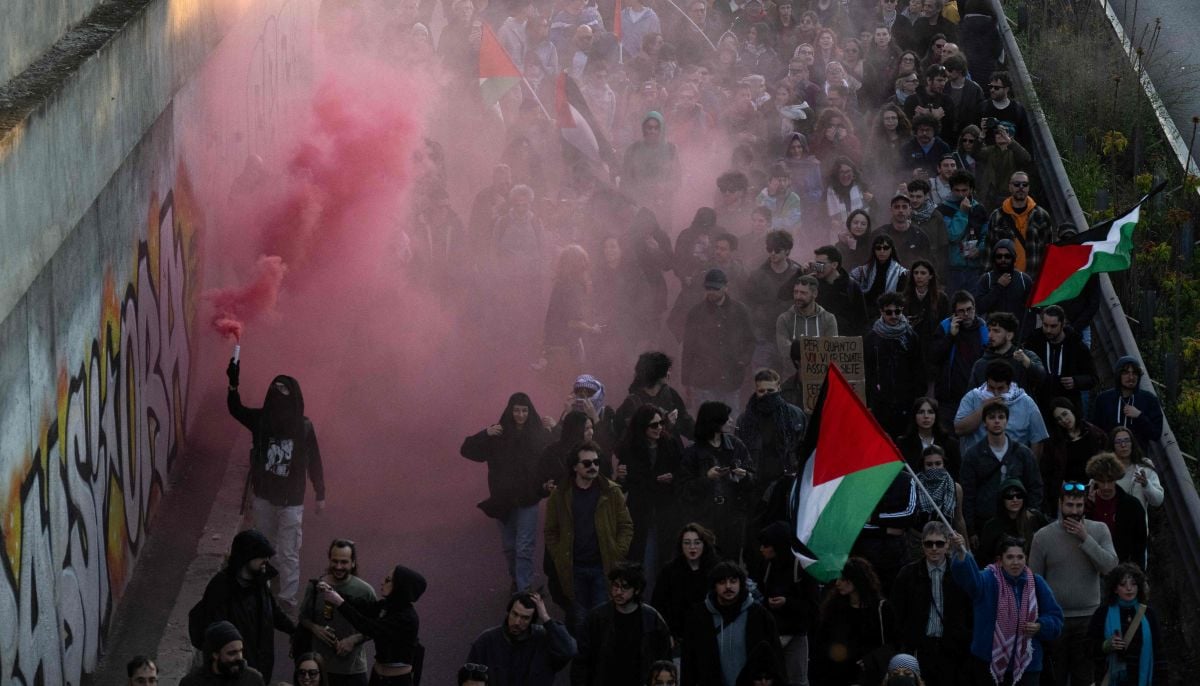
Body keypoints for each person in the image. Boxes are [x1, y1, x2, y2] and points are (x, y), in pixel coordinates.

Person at [225, 362, 325, 611]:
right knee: (265, 547)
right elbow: (235, 408)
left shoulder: (303, 427)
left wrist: (320, 493)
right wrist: (233, 383)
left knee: (289, 550)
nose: (279, 395)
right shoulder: (260, 420)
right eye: (275, 389)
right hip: (265, 497)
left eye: (284, 390)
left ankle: (288, 599)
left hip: (291, 501)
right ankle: (264, 592)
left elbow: (314, 461)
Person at [460, 392, 553, 592]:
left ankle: (523, 589)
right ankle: (517, 579)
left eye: (524, 411)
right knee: (510, 547)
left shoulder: (539, 434)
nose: (520, 415)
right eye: (517, 410)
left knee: (524, 546)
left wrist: (556, 427)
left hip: (529, 498)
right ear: (510, 412)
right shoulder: (498, 434)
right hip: (503, 500)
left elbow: (559, 452)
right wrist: (485, 434)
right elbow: (466, 450)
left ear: (530, 412)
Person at [1029, 482, 1119, 686]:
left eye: (1079, 506)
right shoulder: (1043, 536)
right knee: (1055, 677)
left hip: (1089, 618)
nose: (1074, 511)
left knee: (1085, 678)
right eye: (1069, 505)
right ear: (1060, 504)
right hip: (1055, 619)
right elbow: (1034, 581)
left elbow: (1111, 568)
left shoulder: (1099, 530)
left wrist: (1085, 538)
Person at [545, 441, 636, 635]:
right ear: (575, 467)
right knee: (579, 621)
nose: (593, 466)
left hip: (603, 566)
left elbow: (626, 525)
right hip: (574, 567)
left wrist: (618, 552)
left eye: (596, 462)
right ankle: (581, 661)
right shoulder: (560, 495)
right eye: (587, 463)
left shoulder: (611, 492)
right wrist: (559, 554)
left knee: (602, 620)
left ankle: (599, 661)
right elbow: (551, 530)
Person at [948, 532, 1063, 686]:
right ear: (1000, 560)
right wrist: (962, 553)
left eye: (1020, 557)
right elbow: (970, 580)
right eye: (1010, 557)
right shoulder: (988, 579)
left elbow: (1056, 618)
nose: (1015, 562)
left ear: (1026, 559)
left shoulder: (1036, 582)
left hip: (1028, 666)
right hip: (988, 662)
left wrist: (1041, 626)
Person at [190, 530, 295, 680]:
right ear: (247, 557)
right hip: (232, 672)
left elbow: (274, 612)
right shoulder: (221, 588)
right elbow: (216, 632)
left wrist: (294, 630)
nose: (266, 561)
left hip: (259, 669)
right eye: (261, 557)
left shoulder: (259, 583)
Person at [891, 522, 971, 686]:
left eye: (939, 543)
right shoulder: (908, 574)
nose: (934, 548)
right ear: (922, 545)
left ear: (948, 543)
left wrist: (964, 553)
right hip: (920, 649)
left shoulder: (958, 572)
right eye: (929, 543)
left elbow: (972, 603)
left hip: (952, 648)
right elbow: (897, 613)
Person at [318, 565, 426, 686]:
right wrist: (334, 592)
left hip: (396, 681)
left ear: (400, 586)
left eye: (388, 580)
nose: (382, 582)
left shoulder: (406, 617)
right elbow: (364, 607)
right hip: (378, 677)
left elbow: (368, 626)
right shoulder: (389, 605)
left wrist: (339, 602)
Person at [681, 561, 784, 686]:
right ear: (714, 586)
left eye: (733, 581)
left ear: (741, 584)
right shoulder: (699, 616)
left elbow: (776, 660)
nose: (728, 586)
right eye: (722, 582)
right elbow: (688, 660)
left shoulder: (759, 616)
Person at [572, 562, 673, 686]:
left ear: (637, 590)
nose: (618, 592)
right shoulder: (597, 618)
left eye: (625, 587)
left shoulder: (651, 619)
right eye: (615, 586)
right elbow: (581, 661)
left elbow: (665, 663)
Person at [679, 402, 756, 560]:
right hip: (704, 519)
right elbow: (683, 489)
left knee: (730, 562)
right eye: (726, 418)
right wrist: (706, 479)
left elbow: (753, 478)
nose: (731, 420)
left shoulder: (736, 446)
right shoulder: (692, 453)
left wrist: (744, 476)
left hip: (732, 518)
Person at [957, 398, 1043, 536]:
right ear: (984, 422)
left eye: (1001, 417)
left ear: (1006, 421)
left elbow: (1035, 486)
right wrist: (971, 530)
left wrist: (1030, 514)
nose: (997, 421)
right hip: (985, 523)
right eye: (991, 417)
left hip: (1018, 522)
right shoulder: (973, 455)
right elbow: (968, 494)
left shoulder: (1023, 453)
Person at [298, 540, 377, 686]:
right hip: (320, 671)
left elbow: (377, 628)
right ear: (329, 560)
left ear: (353, 563)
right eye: (335, 561)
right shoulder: (315, 587)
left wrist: (353, 640)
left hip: (353, 671)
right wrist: (316, 629)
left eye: (344, 562)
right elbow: (303, 617)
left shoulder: (365, 592)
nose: (339, 567)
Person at [616, 404, 685, 568]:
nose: (659, 428)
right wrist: (621, 478)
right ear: (643, 426)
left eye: (661, 423)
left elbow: (683, 473)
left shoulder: (670, 444)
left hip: (665, 511)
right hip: (640, 511)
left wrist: (673, 478)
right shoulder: (629, 449)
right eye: (654, 425)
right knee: (639, 559)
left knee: (665, 560)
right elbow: (624, 485)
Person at [811, 556, 897, 686]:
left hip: (869, 675)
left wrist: (870, 660)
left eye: (843, 579)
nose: (837, 583)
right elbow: (822, 643)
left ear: (857, 580)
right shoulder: (834, 608)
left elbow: (893, 642)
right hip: (837, 676)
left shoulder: (881, 609)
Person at [753, 521, 820, 686]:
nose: (762, 549)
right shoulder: (766, 566)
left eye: (766, 545)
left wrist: (787, 602)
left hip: (796, 635)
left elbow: (813, 607)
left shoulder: (802, 567)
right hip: (772, 634)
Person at [681, 268, 757, 410]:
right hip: (703, 380)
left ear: (725, 287)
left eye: (715, 288)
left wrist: (743, 361)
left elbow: (750, 340)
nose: (711, 292)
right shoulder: (696, 313)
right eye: (708, 288)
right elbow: (688, 348)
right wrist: (686, 381)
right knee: (706, 427)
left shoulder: (740, 311)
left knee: (729, 425)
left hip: (731, 379)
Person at [467, 592, 578, 686]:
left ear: (532, 620)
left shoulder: (544, 641)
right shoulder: (487, 641)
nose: (517, 622)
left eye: (525, 618)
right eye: (514, 614)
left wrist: (546, 618)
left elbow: (569, 650)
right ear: (508, 612)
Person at [1087, 563, 1169, 685]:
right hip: (1112, 679)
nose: (1129, 588)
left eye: (1134, 584)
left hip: (1141, 679)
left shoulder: (1148, 614)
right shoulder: (1102, 613)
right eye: (1123, 584)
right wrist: (1106, 645)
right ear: (1115, 588)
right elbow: (1088, 648)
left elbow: (1159, 653)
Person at [864, 291, 926, 436]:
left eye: (897, 311)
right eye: (889, 312)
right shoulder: (871, 338)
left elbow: (918, 368)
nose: (893, 316)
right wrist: (869, 400)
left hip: (905, 401)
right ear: (881, 312)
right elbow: (867, 370)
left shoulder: (911, 336)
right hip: (880, 402)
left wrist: (917, 395)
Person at [735, 369, 807, 491]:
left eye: (770, 391)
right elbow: (739, 451)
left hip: (786, 478)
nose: (766, 395)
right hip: (756, 481)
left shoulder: (795, 415)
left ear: (778, 388)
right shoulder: (745, 420)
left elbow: (804, 446)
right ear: (756, 390)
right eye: (762, 391)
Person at [744, 231, 805, 372]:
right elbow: (748, 303)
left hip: (791, 338)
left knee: (791, 383)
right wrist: (758, 320)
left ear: (787, 251)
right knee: (763, 384)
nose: (772, 253)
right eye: (769, 249)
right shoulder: (757, 276)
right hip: (764, 337)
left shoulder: (799, 274)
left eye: (777, 250)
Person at [651, 522, 718, 648]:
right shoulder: (669, 572)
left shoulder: (715, 570)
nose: (692, 547)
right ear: (681, 545)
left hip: (710, 636)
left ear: (704, 544)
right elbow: (658, 605)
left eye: (697, 542)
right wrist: (667, 634)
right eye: (687, 543)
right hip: (678, 639)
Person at [1023, 305, 1096, 416]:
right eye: (1045, 325)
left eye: (1053, 326)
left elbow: (1093, 378)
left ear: (1062, 325)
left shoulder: (1077, 346)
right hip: (1040, 404)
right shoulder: (1034, 341)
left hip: (1068, 406)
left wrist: (1076, 381)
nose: (1048, 330)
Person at [1042, 399, 1107, 515]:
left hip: (1093, 488)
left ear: (1072, 411)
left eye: (1065, 414)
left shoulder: (1094, 434)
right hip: (1068, 492)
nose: (1063, 420)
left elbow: (1106, 460)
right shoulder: (1054, 442)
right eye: (1058, 419)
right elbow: (1048, 470)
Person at [615, 351, 695, 442]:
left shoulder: (670, 395)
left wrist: (707, 436)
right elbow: (630, 438)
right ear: (657, 374)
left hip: (671, 453)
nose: (669, 374)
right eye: (666, 370)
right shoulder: (632, 403)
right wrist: (665, 425)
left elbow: (686, 423)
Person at [1084, 453, 1148, 566]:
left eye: (1110, 481)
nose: (1106, 486)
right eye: (1101, 481)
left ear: (1117, 478)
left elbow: (1139, 547)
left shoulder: (1132, 506)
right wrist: (1089, 506)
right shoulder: (1082, 500)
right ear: (1094, 480)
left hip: (1119, 568)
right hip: (1087, 564)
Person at [1090, 356, 1165, 453]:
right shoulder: (1103, 399)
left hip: (1137, 458)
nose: (1131, 377)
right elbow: (1095, 431)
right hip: (1111, 458)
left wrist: (1139, 416)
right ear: (1118, 375)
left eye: (1134, 373)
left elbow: (1156, 434)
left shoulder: (1149, 399)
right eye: (1126, 373)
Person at [976, 478, 1048, 568]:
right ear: (1002, 499)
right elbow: (984, 558)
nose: (1015, 499)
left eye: (1019, 495)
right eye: (1009, 496)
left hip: (1032, 572)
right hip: (1001, 574)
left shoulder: (1035, 518)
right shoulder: (992, 526)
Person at [966, 312, 1045, 392]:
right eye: (989, 330)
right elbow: (971, 397)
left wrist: (1026, 361)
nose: (990, 335)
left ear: (1009, 335)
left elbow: (1041, 378)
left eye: (996, 331)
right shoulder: (981, 364)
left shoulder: (1026, 356)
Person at [938, 170, 989, 293]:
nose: (961, 194)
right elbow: (952, 236)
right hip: (954, 269)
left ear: (971, 189)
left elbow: (987, 234)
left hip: (975, 268)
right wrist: (962, 213)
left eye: (964, 190)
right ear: (951, 189)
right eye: (957, 190)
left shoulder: (979, 209)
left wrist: (980, 249)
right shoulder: (944, 209)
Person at [973, 241, 1034, 332]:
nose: (1003, 259)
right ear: (994, 258)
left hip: (1018, 337)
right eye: (999, 256)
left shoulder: (1024, 280)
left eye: (1007, 256)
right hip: (994, 335)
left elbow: (1032, 311)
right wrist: (998, 287)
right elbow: (979, 308)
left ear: (1013, 257)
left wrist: (1026, 334)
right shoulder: (986, 279)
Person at [775, 275, 839, 361]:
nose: (798, 296)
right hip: (792, 372)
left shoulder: (829, 319)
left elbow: (831, 350)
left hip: (820, 372)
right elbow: (784, 351)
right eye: (795, 292)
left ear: (814, 294)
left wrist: (799, 349)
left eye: (803, 293)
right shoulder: (784, 319)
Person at [182, 621, 265, 686]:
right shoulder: (192, 683)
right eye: (232, 653)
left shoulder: (253, 680)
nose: (239, 657)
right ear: (215, 654)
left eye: (241, 651)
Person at [898, 398, 961, 476]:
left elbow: (957, 473)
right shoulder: (903, 443)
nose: (926, 416)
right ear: (914, 416)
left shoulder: (951, 444)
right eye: (921, 412)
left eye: (930, 412)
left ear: (936, 416)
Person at [1110, 426, 1164, 514]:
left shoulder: (1144, 466)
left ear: (1132, 443)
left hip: (1138, 524)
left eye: (1126, 441)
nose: (1123, 445)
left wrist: (1146, 485)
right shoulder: (1105, 467)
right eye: (1118, 442)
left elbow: (1158, 501)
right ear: (1113, 445)